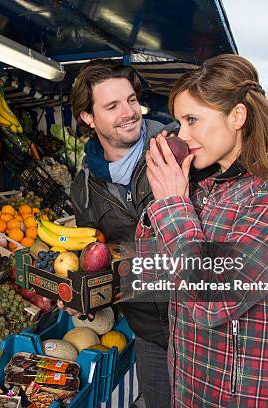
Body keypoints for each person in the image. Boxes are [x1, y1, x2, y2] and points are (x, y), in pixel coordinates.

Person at [136, 54, 268, 406]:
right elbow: (154, 271)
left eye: (193, 120)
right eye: (180, 123)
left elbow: (213, 300)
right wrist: (168, 194)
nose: (183, 135)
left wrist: (171, 204)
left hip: (248, 397)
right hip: (190, 389)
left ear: (237, 116)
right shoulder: (208, 185)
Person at [69, 59, 174, 407]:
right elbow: (99, 259)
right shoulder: (83, 189)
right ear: (88, 117)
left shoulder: (175, 150)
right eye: (112, 106)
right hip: (149, 336)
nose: (129, 112)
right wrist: (81, 292)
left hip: (206, 330)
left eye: (131, 100)